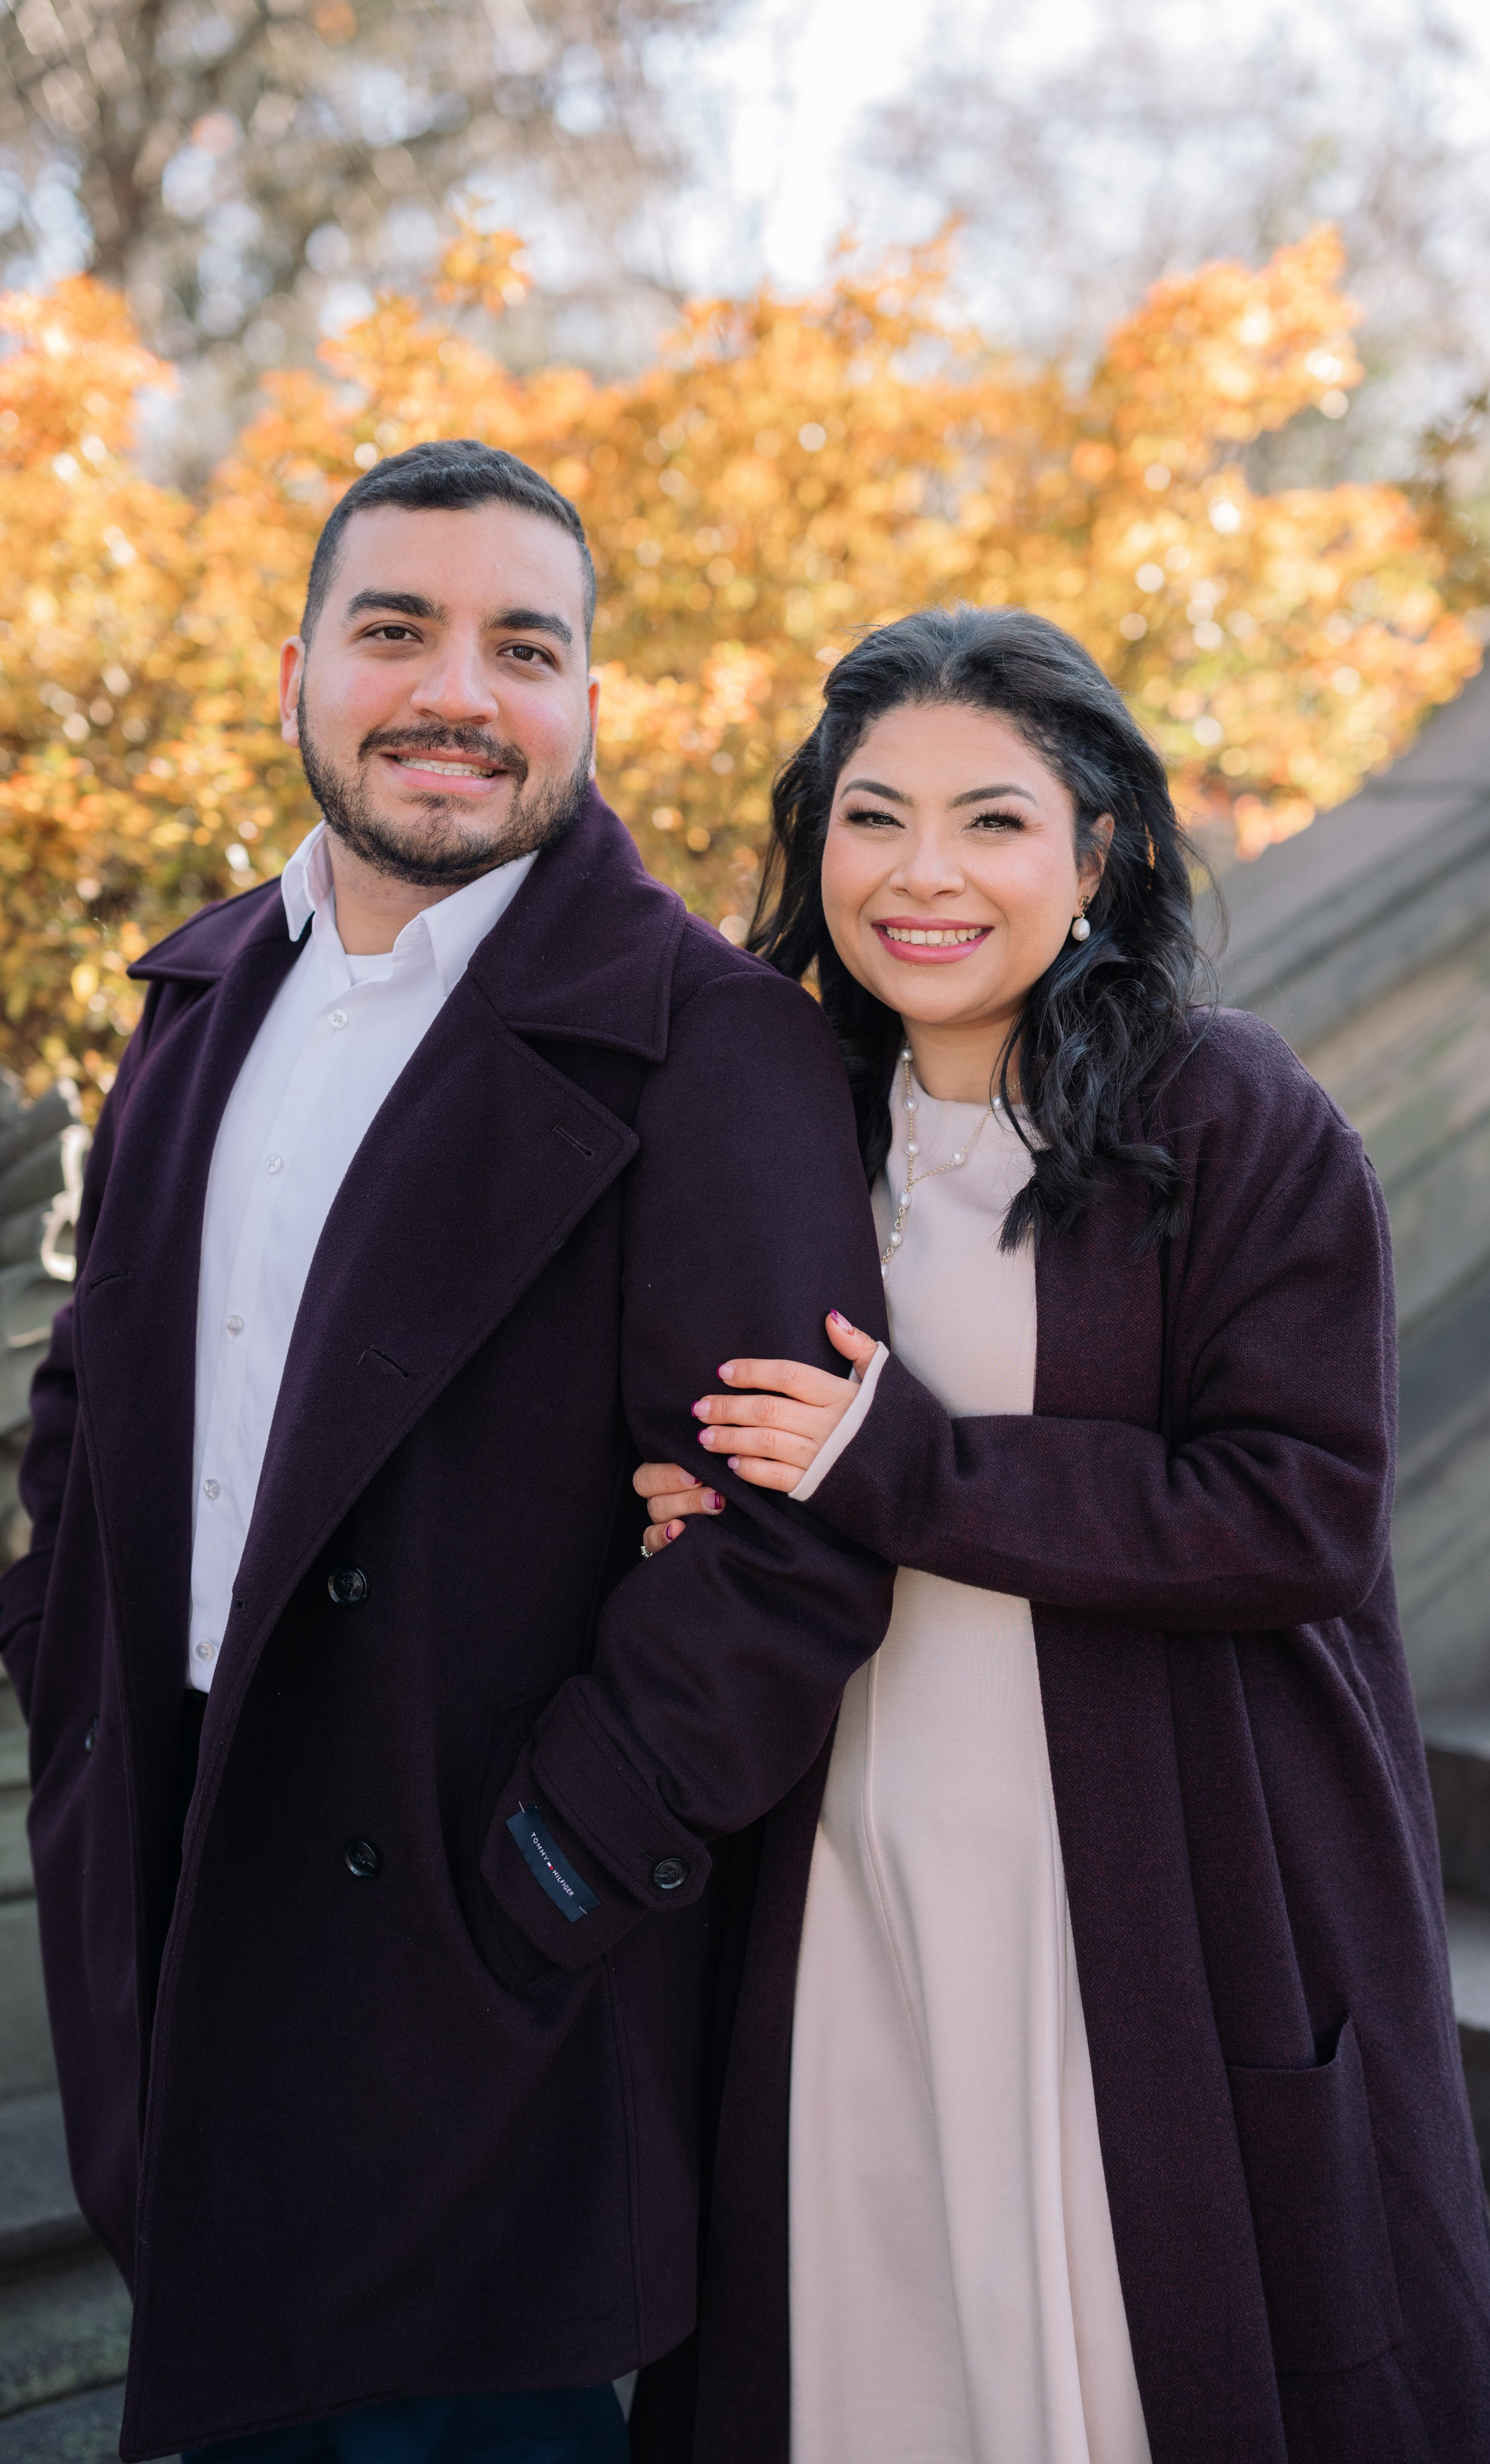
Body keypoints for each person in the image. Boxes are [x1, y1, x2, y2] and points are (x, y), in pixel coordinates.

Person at [0, 439, 895, 2464]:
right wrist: (64, 1670)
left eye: (525, 645)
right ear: (298, 668)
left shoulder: (712, 1039)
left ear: (591, 699)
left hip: (493, 2010)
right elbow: (95, 1393)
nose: (456, 694)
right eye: (396, 630)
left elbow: (791, 1538)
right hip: (181, 1913)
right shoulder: (199, 992)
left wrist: (547, 1878)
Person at [629, 606, 1490, 2464]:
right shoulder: (781, 1116)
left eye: (993, 821)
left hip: (1149, 1882)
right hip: (853, 1871)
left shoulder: (1234, 1116)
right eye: (873, 819)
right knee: (863, 2354)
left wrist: (906, 1465)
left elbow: (1302, 1511)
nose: (923, 875)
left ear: (1096, 849)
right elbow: (706, 1417)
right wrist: (675, 1507)